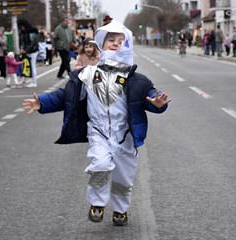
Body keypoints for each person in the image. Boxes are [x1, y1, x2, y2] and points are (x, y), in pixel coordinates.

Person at [22, 20, 171, 226]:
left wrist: (158, 104)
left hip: (124, 135)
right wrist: (43, 103)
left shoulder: (136, 79)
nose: (116, 44)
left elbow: (152, 99)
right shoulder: (87, 75)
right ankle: (97, 203)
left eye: (120, 41)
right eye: (111, 40)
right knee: (100, 165)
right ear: (102, 43)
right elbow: (66, 96)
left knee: (123, 178)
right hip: (99, 132)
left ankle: (120, 210)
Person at [17, 18, 39, 87]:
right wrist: (22, 49)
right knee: (25, 66)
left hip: (32, 51)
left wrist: (25, 50)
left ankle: (34, 82)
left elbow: (32, 43)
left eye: (22, 27)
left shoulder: (31, 33)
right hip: (27, 51)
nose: (21, 28)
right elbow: (23, 42)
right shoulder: (24, 33)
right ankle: (24, 80)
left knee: (32, 65)